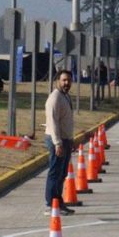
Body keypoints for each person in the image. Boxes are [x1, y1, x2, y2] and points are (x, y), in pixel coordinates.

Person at [43, 68, 75, 215]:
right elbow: (53, 122)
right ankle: (51, 203)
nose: (66, 83)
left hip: (65, 139)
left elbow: (66, 121)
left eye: (68, 80)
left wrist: (71, 140)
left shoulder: (65, 96)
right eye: (63, 80)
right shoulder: (54, 98)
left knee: (62, 174)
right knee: (55, 173)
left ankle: (58, 201)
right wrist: (58, 143)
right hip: (57, 140)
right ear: (57, 81)